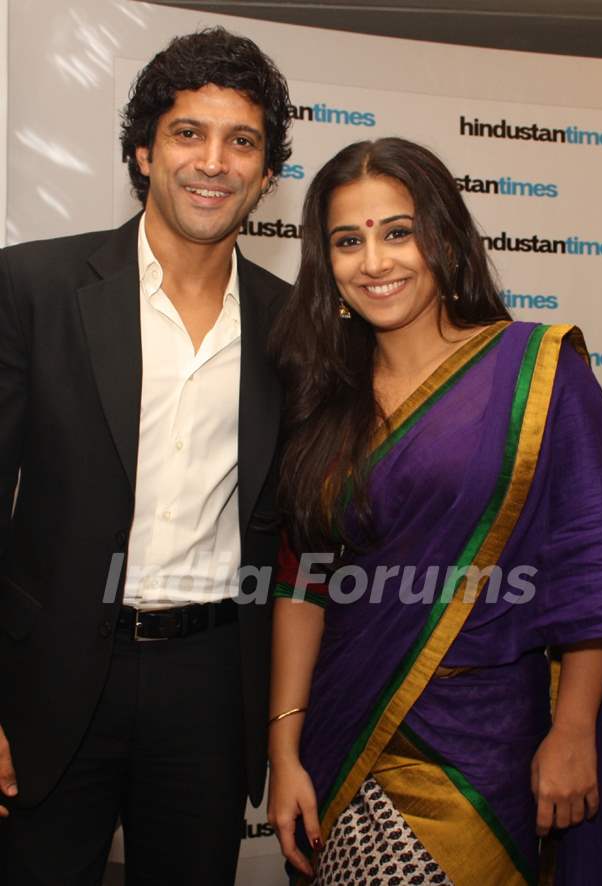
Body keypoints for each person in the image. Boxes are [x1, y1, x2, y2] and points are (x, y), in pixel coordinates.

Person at [267, 137, 602, 885]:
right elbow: (302, 579)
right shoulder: (323, 401)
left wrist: (573, 733)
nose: (375, 261)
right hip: (345, 729)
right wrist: (284, 751)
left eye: (397, 231)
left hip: (483, 740)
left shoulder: (536, 373)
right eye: (349, 240)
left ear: (443, 236)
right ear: (328, 265)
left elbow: (593, 561)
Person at [0, 26, 291, 885]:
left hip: (208, 685)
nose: (214, 161)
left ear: (267, 174)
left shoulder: (294, 325)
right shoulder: (34, 289)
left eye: (242, 142)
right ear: (143, 152)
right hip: (48, 675)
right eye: (187, 133)